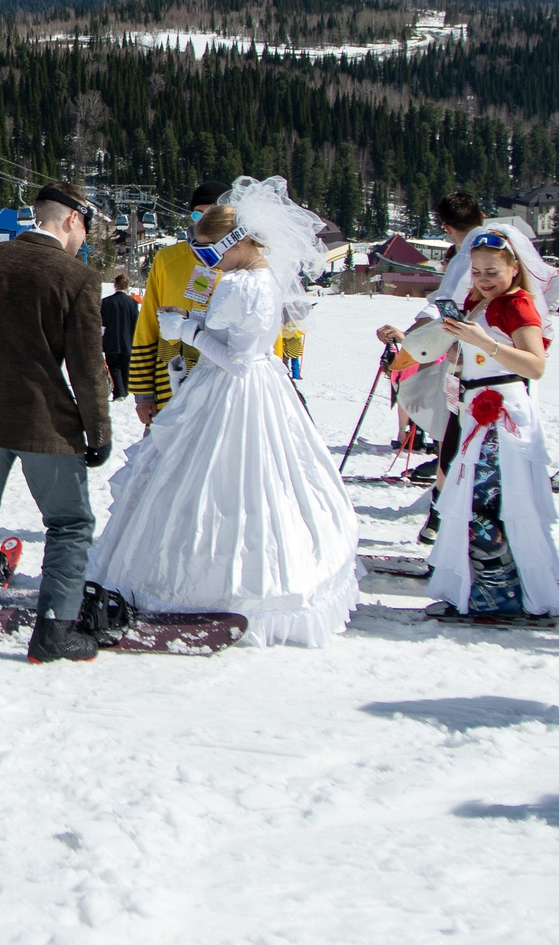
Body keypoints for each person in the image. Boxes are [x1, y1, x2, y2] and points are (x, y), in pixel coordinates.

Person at [84, 183, 359, 646]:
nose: (205, 259)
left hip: (229, 390)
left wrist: (187, 329)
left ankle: (199, 582)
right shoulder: (264, 278)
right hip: (254, 389)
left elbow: (236, 359)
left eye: (209, 249)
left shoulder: (238, 284)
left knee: (212, 481)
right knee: (255, 483)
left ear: (234, 244)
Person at [0, 182, 113, 662]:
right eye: (85, 228)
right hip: (45, 426)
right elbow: (87, 368)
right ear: (72, 219)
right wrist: (98, 432)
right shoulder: (77, 277)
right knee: (70, 523)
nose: (84, 239)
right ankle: (55, 629)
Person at [422, 225, 559, 620]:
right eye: (478, 271)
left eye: (493, 272)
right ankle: (483, 586)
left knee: (489, 502)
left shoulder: (517, 304)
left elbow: (535, 365)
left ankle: (500, 591)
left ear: (514, 269)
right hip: (476, 411)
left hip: (501, 416)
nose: (484, 280)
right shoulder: (475, 303)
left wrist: (485, 343)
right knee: (476, 500)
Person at [378, 192, 492, 527]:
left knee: (456, 432)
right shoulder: (503, 243)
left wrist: (409, 344)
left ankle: (444, 514)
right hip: (502, 360)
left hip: (472, 361)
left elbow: (444, 310)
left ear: (445, 227)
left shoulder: (466, 255)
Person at [125, 181, 230, 430]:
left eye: (213, 213)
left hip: (224, 385)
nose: (204, 220)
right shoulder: (167, 259)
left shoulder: (242, 263)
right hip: (170, 382)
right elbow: (148, 322)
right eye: (197, 213)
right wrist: (143, 392)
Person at [101, 271, 138, 400]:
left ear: (115, 285)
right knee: (125, 367)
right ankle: (125, 391)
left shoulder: (106, 302)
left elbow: (102, 321)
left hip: (111, 340)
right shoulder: (133, 303)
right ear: (127, 286)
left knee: (114, 366)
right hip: (127, 341)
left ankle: (119, 392)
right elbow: (135, 324)